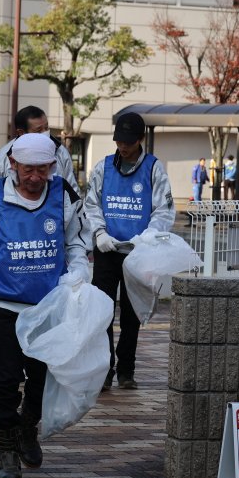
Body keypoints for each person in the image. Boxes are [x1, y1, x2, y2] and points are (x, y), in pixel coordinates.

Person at [0, 132, 92, 478]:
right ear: (13, 165)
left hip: (49, 304)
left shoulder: (63, 194)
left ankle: (27, 429)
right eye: (28, 169)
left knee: (41, 376)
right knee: (5, 378)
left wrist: (79, 271)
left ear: (52, 167)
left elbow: (77, 240)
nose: (35, 178)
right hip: (3, 305)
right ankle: (6, 452)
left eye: (42, 170)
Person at [85, 112, 174, 391]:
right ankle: (103, 371)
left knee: (132, 315)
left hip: (138, 252)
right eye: (119, 141)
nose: (122, 147)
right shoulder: (103, 168)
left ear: (140, 139)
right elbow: (91, 204)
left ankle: (126, 371)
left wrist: (148, 237)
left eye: (128, 142)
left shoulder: (153, 168)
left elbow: (164, 209)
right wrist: (99, 233)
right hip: (107, 250)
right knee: (102, 313)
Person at [0, 105, 78, 190]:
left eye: (46, 128)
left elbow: (72, 190)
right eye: (38, 131)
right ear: (21, 133)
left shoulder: (60, 152)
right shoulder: (2, 159)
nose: (45, 133)